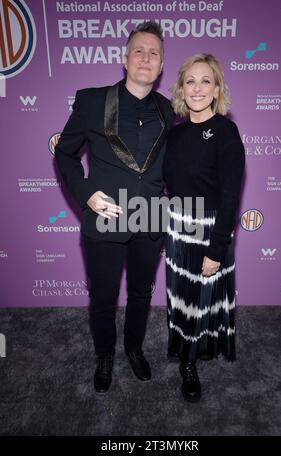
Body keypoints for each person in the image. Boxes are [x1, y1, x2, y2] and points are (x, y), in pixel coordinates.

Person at [55, 21, 175, 394]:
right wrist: (86, 193)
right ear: (124, 60)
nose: (145, 57)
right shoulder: (92, 101)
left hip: (151, 216)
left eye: (153, 52)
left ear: (160, 65)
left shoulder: (170, 110)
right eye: (138, 50)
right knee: (104, 297)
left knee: (141, 293)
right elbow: (65, 153)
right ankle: (105, 354)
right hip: (105, 215)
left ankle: (134, 348)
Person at [163, 54, 245, 402]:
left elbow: (230, 195)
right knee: (182, 299)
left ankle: (197, 355)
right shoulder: (175, 134)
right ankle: (187, 360)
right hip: (178, 229)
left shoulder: (226, 131)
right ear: (182, 88)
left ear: (216, 89)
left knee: (205, 299)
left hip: (212, 228)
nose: (197, 88)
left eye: (205, 81)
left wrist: (216, 248)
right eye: (191, 81)